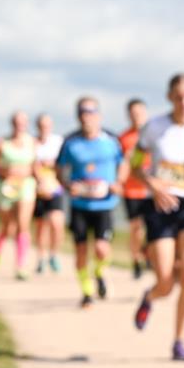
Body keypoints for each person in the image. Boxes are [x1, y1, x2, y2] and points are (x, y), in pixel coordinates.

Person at [132, 74, 184, 362]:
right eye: (178, 96)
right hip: (161, 206)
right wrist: (153, 185)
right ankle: (150, 297)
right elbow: (136, 166)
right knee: (166, 280)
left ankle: (179, 340)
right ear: (169, 97)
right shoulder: (154, 127)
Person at [56, 97, 125, 308]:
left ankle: (99, 272)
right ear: (78, 116)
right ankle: (86, 292)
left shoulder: (111, 139)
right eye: (82, 112)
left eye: (91, 111)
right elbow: (58, 170)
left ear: (99, 115)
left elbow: (124, 164)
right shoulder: (70, 142)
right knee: (80, 251)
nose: (87, 116)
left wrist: (118, 182)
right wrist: (68, 186)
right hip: (79, 206)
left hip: (104, 204)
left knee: (102, 249)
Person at [0, 112, 38, 280]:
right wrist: (5, 171)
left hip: (26, 186)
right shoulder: (3, 143)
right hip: (6, 187)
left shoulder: (32, 142)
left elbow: (36, 166)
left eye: (22, 122)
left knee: (23, 225)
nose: (19, 125)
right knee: (7, 226)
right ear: (12, 123)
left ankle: (20, 265)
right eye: (17, 122)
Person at [118, 98, 152, 279]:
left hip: (152, 189)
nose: (136, 116)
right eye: (133, 113)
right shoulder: (123, 138)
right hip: (131, 189)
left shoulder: (154, 134)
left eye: (139, 113)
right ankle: (136, 259)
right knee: (136, 227)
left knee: (152, 226)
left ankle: (148, 254)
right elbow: (120, 164)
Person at [33, 113, 65, 274]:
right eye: (41, 125)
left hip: (55, 188)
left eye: (47, 125)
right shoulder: (32, 143)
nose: (44, 128)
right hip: (38, 190)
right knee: (41, 227)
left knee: (56, 223)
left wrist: (52, 164)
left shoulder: (58, 142)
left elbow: (64, 164)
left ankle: (54, 254)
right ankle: (40, 258)